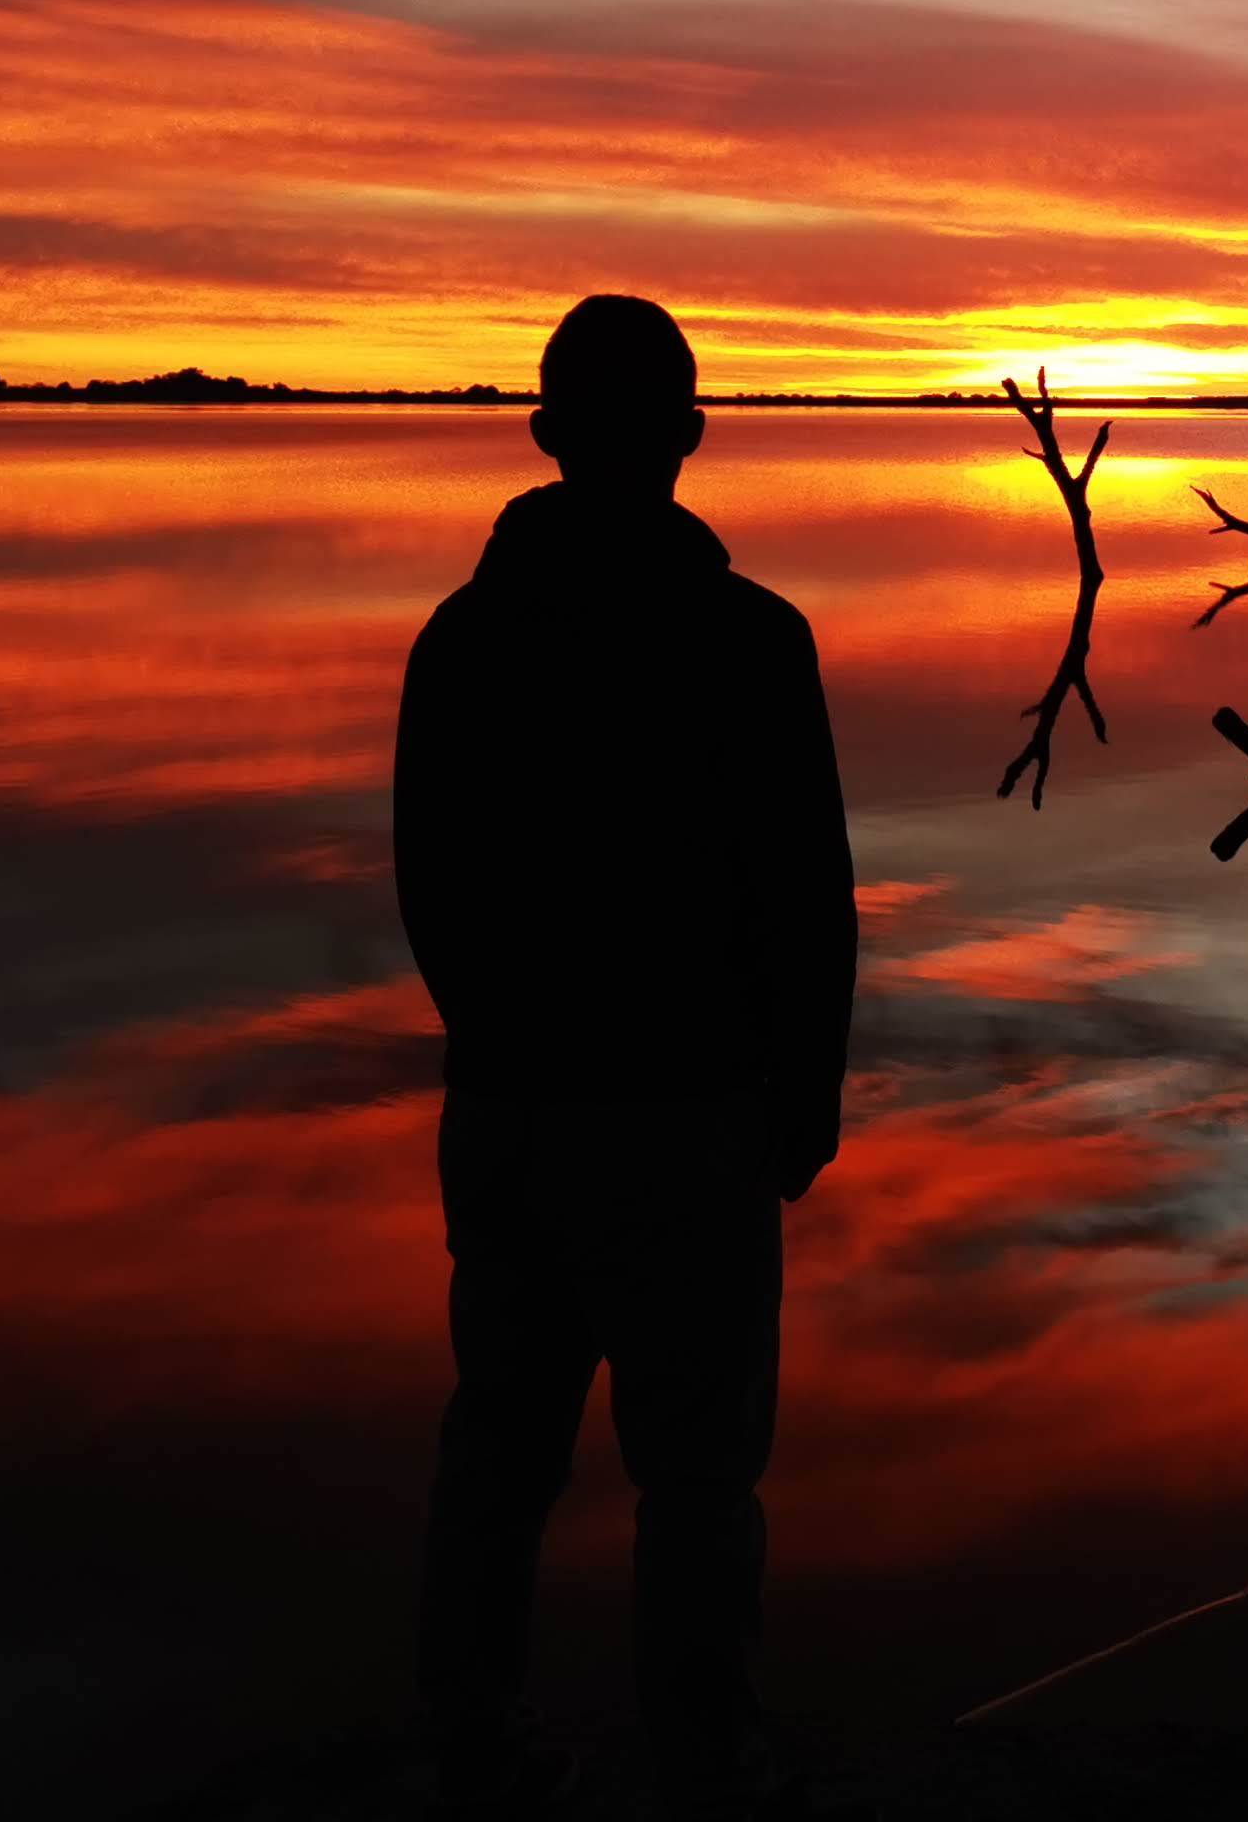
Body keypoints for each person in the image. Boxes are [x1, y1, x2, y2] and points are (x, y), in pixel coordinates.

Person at [396, 295, 856, 1817]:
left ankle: (469, 1734)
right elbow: (807, 899)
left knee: (502, 1440)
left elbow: (432, 889)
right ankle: (698, 1754)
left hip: (525, 1109)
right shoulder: (749, 640)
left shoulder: (464, 641)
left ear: (548, 438)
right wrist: (802, 1095)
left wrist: (498, 1051)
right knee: (698, 1471)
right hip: (684, 1115)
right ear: (686, 437)